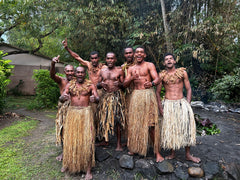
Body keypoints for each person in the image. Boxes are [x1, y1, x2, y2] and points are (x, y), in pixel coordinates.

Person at [156, 53, 201, 163]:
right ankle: (172, 153)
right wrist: (160, 108)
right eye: (166, 59)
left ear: (175, 61)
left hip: (181, 103)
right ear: (163, 63)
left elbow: (189, 89)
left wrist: (188, 104)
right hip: (168, 104)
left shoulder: (182, 73)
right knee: (171, 128)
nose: (169, 60)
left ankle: (188, 154)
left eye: (171, 58)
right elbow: (157, 93)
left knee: (186, 128)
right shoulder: (161, 76)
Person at [123, 46, 164, 162]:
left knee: (151, 125)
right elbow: (124, 84)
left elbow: (157, 79)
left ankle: (157, 153)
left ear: (145, 55)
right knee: (136, 123)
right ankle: (135, 147)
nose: (139, 54)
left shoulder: (149, 65)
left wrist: (151, 83)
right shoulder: (131, 69)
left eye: (141, 52)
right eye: (137, 52)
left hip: (148, 95)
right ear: (134, 55)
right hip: (136, 96)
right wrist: (131, 78)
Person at [59, 66, 99, 180]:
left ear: (85, 73)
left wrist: (94, 99)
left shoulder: (90, 85)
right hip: (72, 114)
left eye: (82, 72)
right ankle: (68, 164)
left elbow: (97, 97)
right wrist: (63, 97)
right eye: (78, 72)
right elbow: (61, 98)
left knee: (87, 140)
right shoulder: (69, 85)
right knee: (70, 139)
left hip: (86, 114)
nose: (80, 74)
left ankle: (88, 170)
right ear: (75, 74)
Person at [62, 38, 106, 138]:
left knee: (100, 116)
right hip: (87, 92)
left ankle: (101, 137)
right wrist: (67, 48)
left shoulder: (104, 68)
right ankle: (87, 137)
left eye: (96, 58)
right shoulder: (88, 65)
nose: (94, 60)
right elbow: (77, 57)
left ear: (98, 58)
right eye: (92, 58)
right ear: (90, 59)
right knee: (88, 116)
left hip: (98, 93)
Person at [97, 52, 126, 151]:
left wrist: (120, 84)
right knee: (104, 118)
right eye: (108, 58)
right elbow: (97, 84)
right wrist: (101, 84)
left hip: (116, 96)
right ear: (106, 59)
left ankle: (118, 144)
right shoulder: (102, 71)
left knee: (117, 120)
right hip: (105, 97)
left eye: (112, 58)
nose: (110, 60)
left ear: (115, 60)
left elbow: (124, 87)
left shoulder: (120, 71)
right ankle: (106, 140)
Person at [50, 55, 74, 161]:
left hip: (75, 109)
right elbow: (52, 75)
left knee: (74, 130)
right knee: (63, 130)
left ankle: (74, 150)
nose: (69, 73)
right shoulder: (62, 81)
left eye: (71, 71)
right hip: (64, 109)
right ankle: (64, 152)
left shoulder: (78, 81)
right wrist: (53, 63)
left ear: (74, 72)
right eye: (67, 71)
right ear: (64, 72)